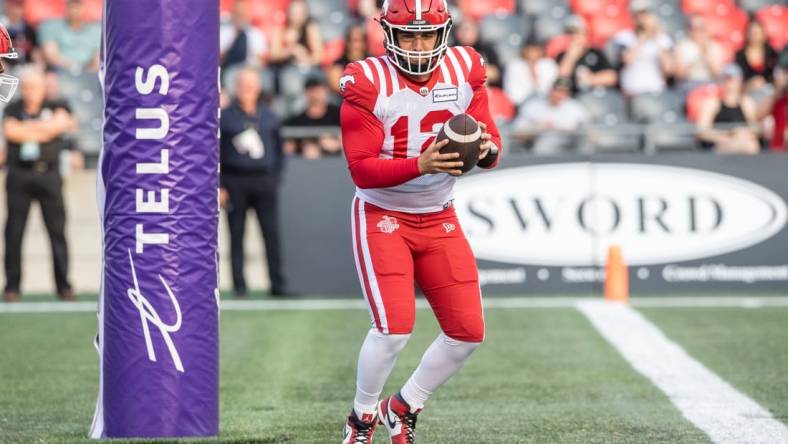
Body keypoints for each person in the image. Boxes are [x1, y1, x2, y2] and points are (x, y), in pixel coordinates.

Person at [338, 1, 502, 442]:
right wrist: (421, 164)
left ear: (442, 33)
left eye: (425, 35)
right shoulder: (368, 80)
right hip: (381, 212)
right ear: (389, 35)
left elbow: (491, 143)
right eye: (407, 35)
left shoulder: (466, 67)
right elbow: (361, 168)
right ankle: (361, 416)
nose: (416, 44)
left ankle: (405, 404)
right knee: (393, 330)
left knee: (467, 333)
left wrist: (484, 151)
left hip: (438, 215)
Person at [2, 66, 81, 302]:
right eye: (26, 87)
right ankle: (12, 287)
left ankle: (63, 285)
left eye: (34, 87)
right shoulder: (13, 108)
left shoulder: (58, 104)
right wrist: (44, 130)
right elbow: (11, 133)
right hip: (19, 176)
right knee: (14, 233)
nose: (30, 92)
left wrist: (29, 130)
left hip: (48, 175)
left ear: (43, 88)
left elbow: (60, 125)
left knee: (56, 231)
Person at [219, 67, 290, 298]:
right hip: (234, 181)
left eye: (251, 85)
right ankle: (240, 286)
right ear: (236, 87)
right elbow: (215, 153)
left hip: (264, 181)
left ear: (258, 88)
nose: (247, 89)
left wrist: (276, 176)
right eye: (243, 85)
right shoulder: (225, 116)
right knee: (236, 235)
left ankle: (277, 284)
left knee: (271, 234)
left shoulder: (269, 116)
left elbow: (280, 150)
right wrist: (220, 185)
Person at [511, 77, 589, 154]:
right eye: (557, 90)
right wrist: (538, 128)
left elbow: (587, 132)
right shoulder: (533, 106)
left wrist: (564, 129)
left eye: (564, 91)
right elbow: (516, 134)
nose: (559, 94)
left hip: (570, 149)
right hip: (538, 150)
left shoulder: (576, 108)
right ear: (550, 89)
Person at [612, 0, 674, 96]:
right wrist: (641, 39)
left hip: (656, 89)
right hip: (632, 90)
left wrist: (656, 37)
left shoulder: (662, 39)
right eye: (639, 15)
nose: (643, 19)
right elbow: (627, 60)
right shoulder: (624, 37)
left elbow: (668, 69)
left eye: (646, 15)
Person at [697, 64, 759, 154]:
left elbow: (754, 128)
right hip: (720, 146)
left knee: (752, 146)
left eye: (734, 79)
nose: (731, 83)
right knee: (732, 145)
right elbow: (702, 131)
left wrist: (741, 134)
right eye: (727, 79)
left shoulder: (747, 103)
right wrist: (726, 137)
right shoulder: (713, 104)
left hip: (743, 143)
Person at [283, 76, 341, 159]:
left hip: (336, 162)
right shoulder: (297, 120)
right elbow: (288, 145)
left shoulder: (337, 114)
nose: (315, 94)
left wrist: (336, 144)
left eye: (318, 90)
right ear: (306, 93)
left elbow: (352, 138)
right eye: (311, 90)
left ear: (326, 91)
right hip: (306, 165)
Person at [556, 15, 617, 94]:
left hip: (594, 96)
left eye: (577, 32)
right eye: (570, 33)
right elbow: (561, 79)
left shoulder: (595, 53)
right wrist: (570, 57)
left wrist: (591, 79)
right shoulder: (562, 56)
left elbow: (611, 77)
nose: (574, 36)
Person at [38, 0, 101, 74]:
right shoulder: (51, 26)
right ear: (66, 7)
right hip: (59, 72)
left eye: (77, 6)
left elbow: (98, 56)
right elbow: (51, 54)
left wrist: (90, 71)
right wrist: (74, 67)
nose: (75, 10)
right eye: (72, 6)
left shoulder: (95, 29)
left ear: (83, 8)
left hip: (89, 73)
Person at [673, 15, 724, 93]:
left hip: (709, 83)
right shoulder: (682, 46)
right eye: (694, 28)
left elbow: (717, 73)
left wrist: (705, 52)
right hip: (689, 83)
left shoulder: (714, 47)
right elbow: (679, 75)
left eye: (701, 28)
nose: (698, 31)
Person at [503, 39, 558, 106]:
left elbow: (552, 88)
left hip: (545, 104)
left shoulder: (549, 64)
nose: (532, 53)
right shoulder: (514, 65)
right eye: (529, 50)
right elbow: (511, 90)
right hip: (520, 105)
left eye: (536, 50)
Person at [269, 0, 323, 67]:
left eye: (301, 14)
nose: (297, 17)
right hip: (283, 69)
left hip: (306, 69)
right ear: (288, 13)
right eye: (294, 14)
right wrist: (291, 50)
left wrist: (305, 59)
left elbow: (318, 57)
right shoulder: (281, 29)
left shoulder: (310, 28)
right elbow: (274, 55)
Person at [220, 0, 269, 72]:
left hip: (252, 70)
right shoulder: (223, 33)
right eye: (238, 14)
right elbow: (217, 60)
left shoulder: (256, 34)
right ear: (232, 13)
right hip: (230, 69)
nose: (240, 17)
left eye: (243, 14)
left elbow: (263, 60)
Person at [453, 19, 502, 87]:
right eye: (464, 29)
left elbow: (496, 74)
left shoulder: (486, 50)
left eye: (470, 29)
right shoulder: (451, 51)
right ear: (457, 32)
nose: (467, 33)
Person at [735, 21, 778, 93]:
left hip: (770, 92)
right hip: (747, 92)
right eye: (752, 33)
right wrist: (750, 84)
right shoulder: (740, 56)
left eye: (757, 33)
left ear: (764, 35)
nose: (754, 36)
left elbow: (776, 75)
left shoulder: (772, 54)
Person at [327, 25, 371, 96]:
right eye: (351, 40)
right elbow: (336, 86)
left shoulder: (371, 63)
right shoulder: (338, 65)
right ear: (347, 42)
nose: (354, 45)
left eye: (357, 41)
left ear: (364, 43)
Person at [0, 0, 41, 67]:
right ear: (7, 7)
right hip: (6, 68)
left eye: (20, 7)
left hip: (26, 67)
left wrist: (37, 62)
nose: (17, 11)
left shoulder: (29, 29)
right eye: (14, 7)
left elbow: (35, 52)